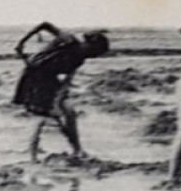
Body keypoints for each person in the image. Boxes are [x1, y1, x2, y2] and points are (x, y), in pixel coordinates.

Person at [12, 22, 110, 162]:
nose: (93, 56)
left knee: (69, 112)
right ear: (89, 45)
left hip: (50, 80)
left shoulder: (80, 58)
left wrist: (57, 100)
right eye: (94, 52)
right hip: (34, 77)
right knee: (40, 117)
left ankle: (77, 150)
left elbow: (67, 81)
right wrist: (22, 42)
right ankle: (32, 157)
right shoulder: (68, 39)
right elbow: (45, 24)